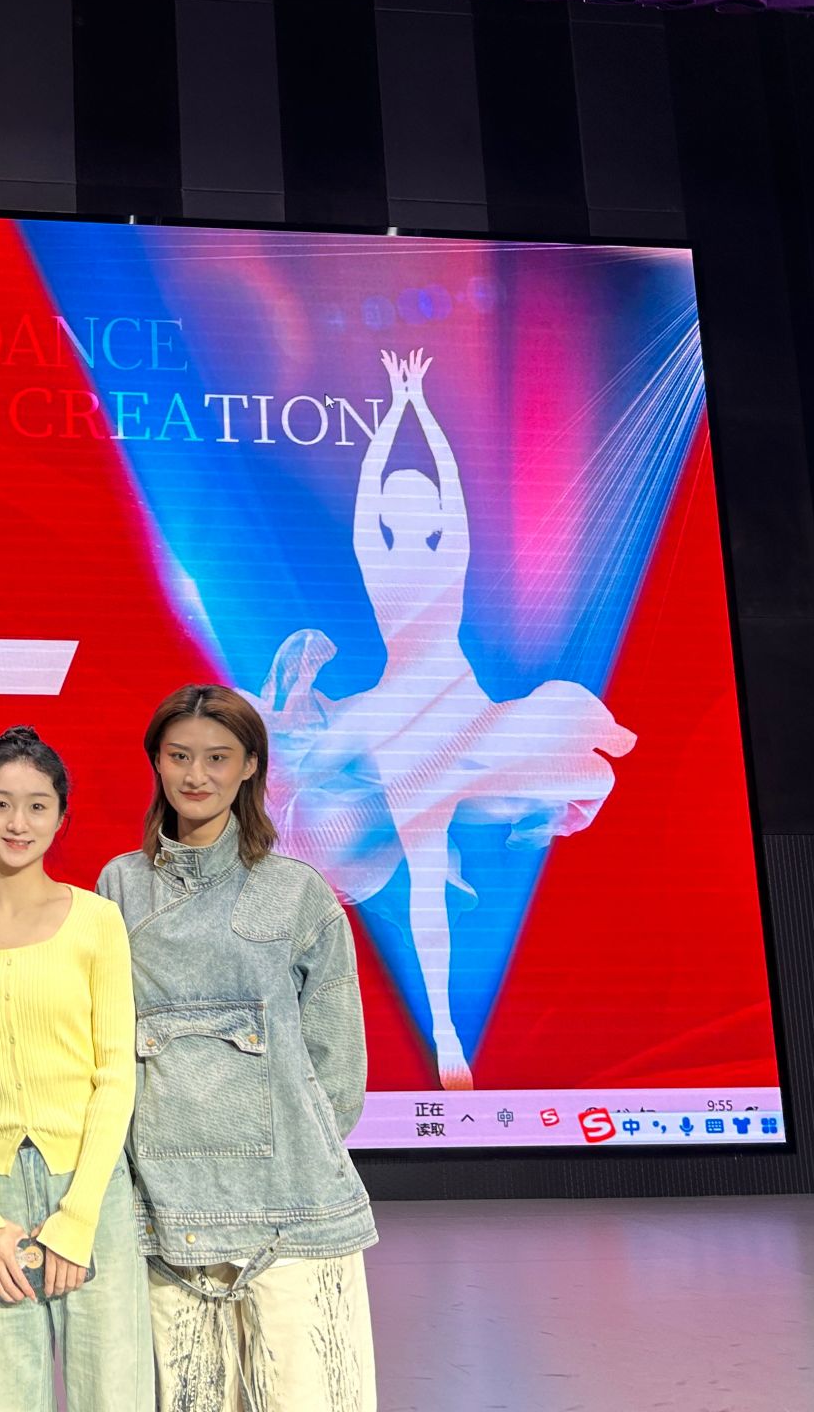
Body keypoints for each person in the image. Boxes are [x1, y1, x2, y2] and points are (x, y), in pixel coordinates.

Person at [255, 348, 635, 1090]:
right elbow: (381, 500)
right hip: (406, 715)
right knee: (418, 870)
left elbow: (440, 493)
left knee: (440, 854)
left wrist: (414, 409)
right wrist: (406, 410)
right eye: (406, 500)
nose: (413, 505)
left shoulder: (439, 552)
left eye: (418, 499)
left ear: (425, 514)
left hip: (447, 705)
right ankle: (443, 1033)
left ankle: (444, 1032)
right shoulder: (392, 556)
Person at [98, 685, 379, 1412]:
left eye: (217, 758)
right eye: (179, 756)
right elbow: (106, 1049)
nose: (197, 775)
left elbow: (337, 1063)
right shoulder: (118, 888)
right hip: (168, 1216)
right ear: (156, 762)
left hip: (295, 1209)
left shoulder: (297, 892)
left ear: (251, 765)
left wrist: (293, 1151)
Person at [0, 727, 153, 1412]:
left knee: (112, 1395)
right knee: (4, 1398)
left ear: (61, 817)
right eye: (0, 804)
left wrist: (78, 1218)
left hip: (89, 1183)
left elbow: (115, 1073)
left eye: (37, 806)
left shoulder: (97, 921)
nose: (17, 823)